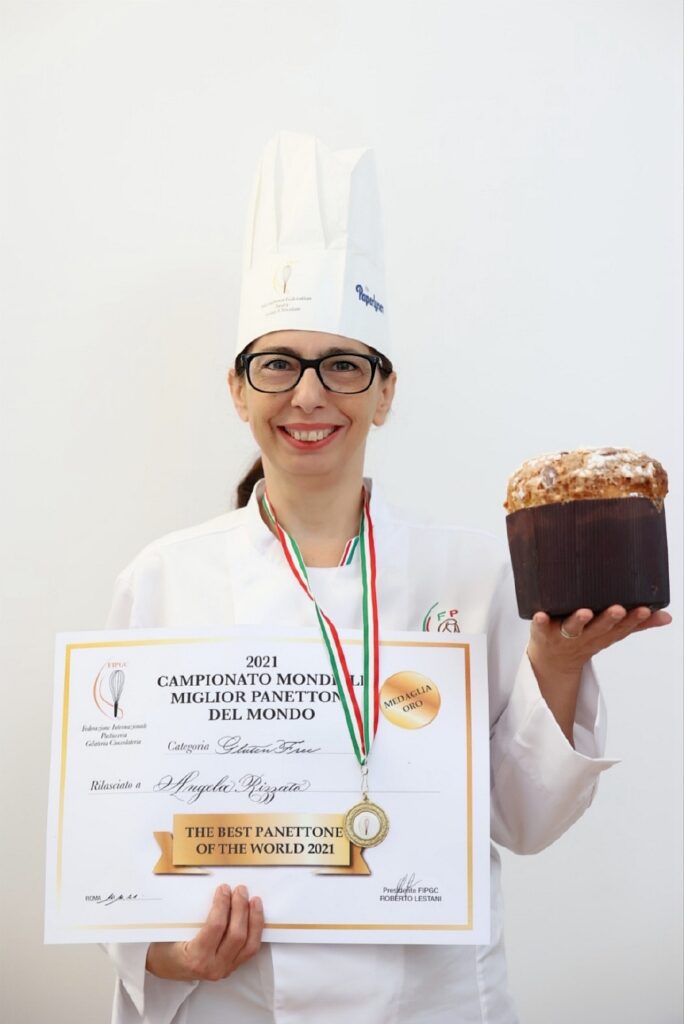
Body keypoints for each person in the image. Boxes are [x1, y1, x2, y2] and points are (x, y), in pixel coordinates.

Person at [102, 132, 671, 1024]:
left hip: (434, 1001)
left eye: (343, 364)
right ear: (238, 389)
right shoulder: (162, 580)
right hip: (237, 1003)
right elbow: (108, 832)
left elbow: (524, 822)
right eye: (278, 363)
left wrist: (558, 665)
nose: (309, 395)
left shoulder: (473, 569)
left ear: (384, 391)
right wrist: (172, 954)